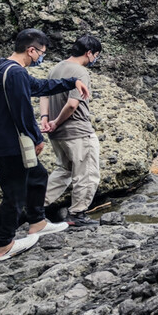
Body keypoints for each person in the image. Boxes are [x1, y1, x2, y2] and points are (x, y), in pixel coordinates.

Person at [0, 29, 91, 261]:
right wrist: (37, 139)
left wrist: (73, 81)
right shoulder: (15, 74)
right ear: (31, 50)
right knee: (14, 193)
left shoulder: (7, 68)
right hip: (7, 145)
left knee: (38, 175)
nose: (41, 57)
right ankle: (4, 245)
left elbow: (40, 87)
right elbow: (22, 112)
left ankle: (38, 222)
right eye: (41, 53)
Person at [40, 35, 103, 228]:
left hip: (57, 135)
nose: (95, 60)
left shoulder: (56, 68)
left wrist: (46, 119)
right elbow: (72, 104)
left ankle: (35, 206)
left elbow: (44, 94)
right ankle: (77, 214)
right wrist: (57, 122)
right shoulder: (80, 72)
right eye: (96, 56)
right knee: (87, 174)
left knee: (63, 171)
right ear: (89, 53)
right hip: (77, 131)